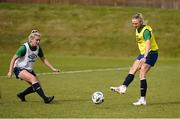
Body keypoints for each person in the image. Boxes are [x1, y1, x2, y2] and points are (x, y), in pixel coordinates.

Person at [110, 13, 159, 106]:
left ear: (141, 22)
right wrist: (143, 55)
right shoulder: (138, 29)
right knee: (132, 69)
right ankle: (123, 87)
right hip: (143, 53)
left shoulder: (146, 31)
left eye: (136, 23)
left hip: (151, 53)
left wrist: (145, 57)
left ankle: (142, 99)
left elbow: (148, 43)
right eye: (133, 23)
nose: (134, 25)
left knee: (142, 74)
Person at [7, 30, 59, 103]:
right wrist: (10, 71)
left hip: (28, 69)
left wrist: (53, 68)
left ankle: (21, 95)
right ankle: (45, 99)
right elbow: (13, 59)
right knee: (33, 79)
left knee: (37, 86)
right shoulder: (24, 48)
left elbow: (43, 59)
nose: (38, 42)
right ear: (31, 39)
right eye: (37, 40)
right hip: (19, 68)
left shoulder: (38, 48)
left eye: (39, 40)